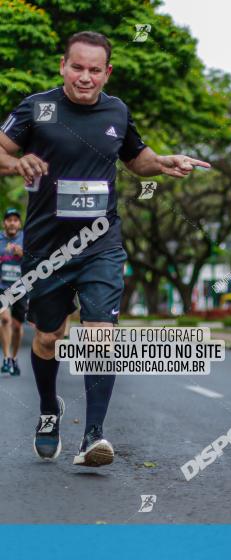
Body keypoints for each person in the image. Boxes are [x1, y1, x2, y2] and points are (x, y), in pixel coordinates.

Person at [0, 31, 210, 466]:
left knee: (100, 336)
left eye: (95, 70)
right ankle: (47, 409)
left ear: (107, 72)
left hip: (101, 244)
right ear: (63, 66)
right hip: (46, 249)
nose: (85, 77)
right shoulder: (37, 107)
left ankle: (93, 435)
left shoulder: (117, 110)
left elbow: (136, 157)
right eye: (77, 67)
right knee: (48, 339)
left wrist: (165, 162)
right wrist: (15, 161)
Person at [0, 208, 26, 375]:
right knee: (4, 319)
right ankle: (6, 358)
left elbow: (35, 259)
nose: (12, 223)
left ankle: (14, 359)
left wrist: (22, 253)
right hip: (2, 288)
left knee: (17, 326)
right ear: (4, 223)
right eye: (9, 220)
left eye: (15, 220)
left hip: (22, 288)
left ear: (19, 224)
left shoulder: (26, 239)